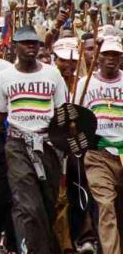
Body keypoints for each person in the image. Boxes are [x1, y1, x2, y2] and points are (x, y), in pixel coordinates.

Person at [0, 25, 68, 254]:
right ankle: (29, 249)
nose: (31, 47)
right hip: (17, 145)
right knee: (27, 204)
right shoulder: (5, 77)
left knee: (47, 203)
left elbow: (63, 113)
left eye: (34, 43)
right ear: (14, 47)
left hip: (47, 144)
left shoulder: (52, 74)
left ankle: (46, 247)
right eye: (25, 43)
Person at [76, 35, 123, 254]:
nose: (111, 59)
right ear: (98, 56)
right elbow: (74, 118)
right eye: (106, 55)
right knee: (105, 206)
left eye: (116, 55)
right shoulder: (84, 85)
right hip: (98, 154)